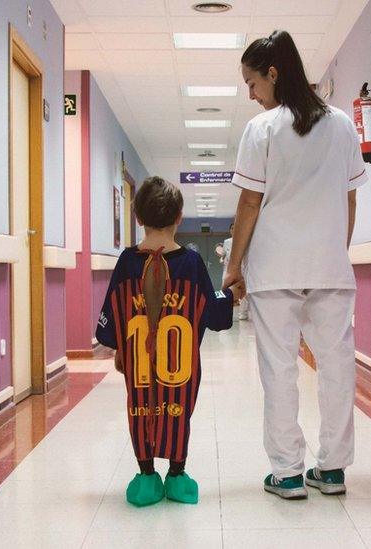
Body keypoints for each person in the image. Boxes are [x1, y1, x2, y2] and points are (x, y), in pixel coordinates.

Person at [223, 30, 367, 500]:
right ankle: (333, 469)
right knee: (336, 367)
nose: (250, 93)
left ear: (273, 72)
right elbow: (349, 200)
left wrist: (234, 265)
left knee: (279, 369)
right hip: (329, 268)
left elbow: (249, 203)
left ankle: (287, 472)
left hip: (275, 270)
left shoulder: (262, 130)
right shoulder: (343, 124)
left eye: (252, 82)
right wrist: (333, 249)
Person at [96, 176, 246, 507]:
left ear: (137, 218)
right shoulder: (191, 263)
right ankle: (177, 476)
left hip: (138, 365)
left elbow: (112, 316)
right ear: (179, 217)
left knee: (139, 409)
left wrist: (120, 347)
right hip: (181, 367)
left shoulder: (126, 262)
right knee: (178, 412)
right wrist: (232, 295)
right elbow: (212, 309)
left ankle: (146, 476)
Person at [220, 223, 250, 320]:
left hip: (241, 268)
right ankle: (224, 310)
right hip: (227, 269)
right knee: (225, 290)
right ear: (230, 230)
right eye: (232, 228)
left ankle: (243, 313)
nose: (234, 229)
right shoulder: (227, 242)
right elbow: (223, 255)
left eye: (235, 227)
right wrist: (221, 259)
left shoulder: (244, 239)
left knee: (242, 291)